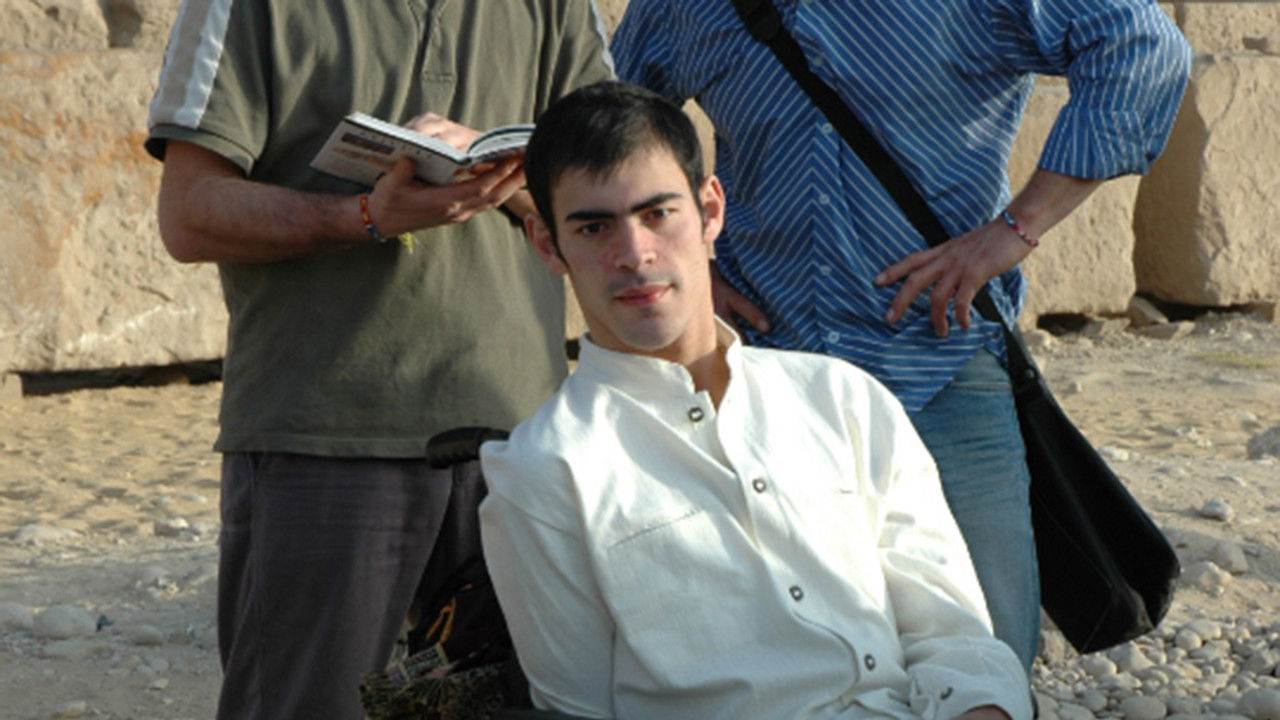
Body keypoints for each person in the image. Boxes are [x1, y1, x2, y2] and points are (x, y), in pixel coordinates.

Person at [610, 0, 1192, 668]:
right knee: (791, 656)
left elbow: (1143, 48)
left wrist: (1016, 230)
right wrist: (686, 263)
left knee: (989, 647)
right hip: (767, 374)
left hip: (938, 363)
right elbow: (610, 121)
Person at [478, 80, 1032, 720]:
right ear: (547, 244)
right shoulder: (545, 471)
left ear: (710, 210)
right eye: (595, 227)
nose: (633, 254)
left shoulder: (843, 399)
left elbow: (954, 634)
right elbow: (577, 710)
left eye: (658, 214)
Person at [143, 2, 614, 718]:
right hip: (322, 442)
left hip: (522, 442)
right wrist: (363, 216)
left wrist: (501, 166)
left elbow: (609, 184)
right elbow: (189, 213)